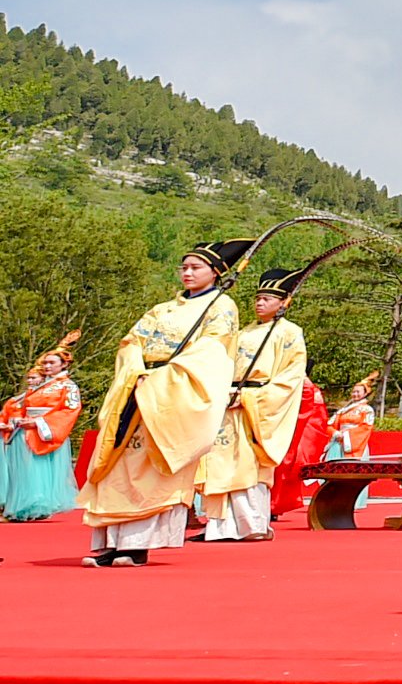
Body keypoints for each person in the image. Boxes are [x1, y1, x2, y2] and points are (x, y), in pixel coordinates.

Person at [79, 240, 248, 566]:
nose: (187, 272)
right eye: (183, 267)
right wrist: (136, 371)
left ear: (215, 272)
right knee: (118, 468)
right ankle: (113, 543)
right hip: (139, 387)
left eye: (195, 267)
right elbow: (132, 341)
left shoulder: (221, 307)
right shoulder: (162, 309)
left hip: (172, 395)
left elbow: (213, 351)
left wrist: (166, 377)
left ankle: (137, 546)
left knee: (153, 470)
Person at [196, 266, 313, 542]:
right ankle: (218, 527)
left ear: (284, 302)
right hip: (229, 403)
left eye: (268, 299)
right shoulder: (243, 333)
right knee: (220, 464)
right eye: (258, 298)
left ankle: (252, 526)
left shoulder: (290, 333)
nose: (260, 303)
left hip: (255, 407)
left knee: (248, 466)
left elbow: (290, 378)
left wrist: (250, 398)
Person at [2, 332, 86, 523]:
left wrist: (39, 422)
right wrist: (18, 421)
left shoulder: (68, 386)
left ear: (64, 365)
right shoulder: (42, 385)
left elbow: (69, 411)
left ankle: (34, 506)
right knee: (24, 470)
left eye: (52, 363)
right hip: (26, 429)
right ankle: (22, 507)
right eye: (46, 363)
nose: (47, 366)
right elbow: (21, 407)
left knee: (38, 470)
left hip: (44, 430)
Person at [272, 380, 329, 519]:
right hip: (286, 427)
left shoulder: (308, 387)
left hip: (298, 430)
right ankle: (273, 506)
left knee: (287, 467)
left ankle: (274, 506)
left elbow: (316, 417)